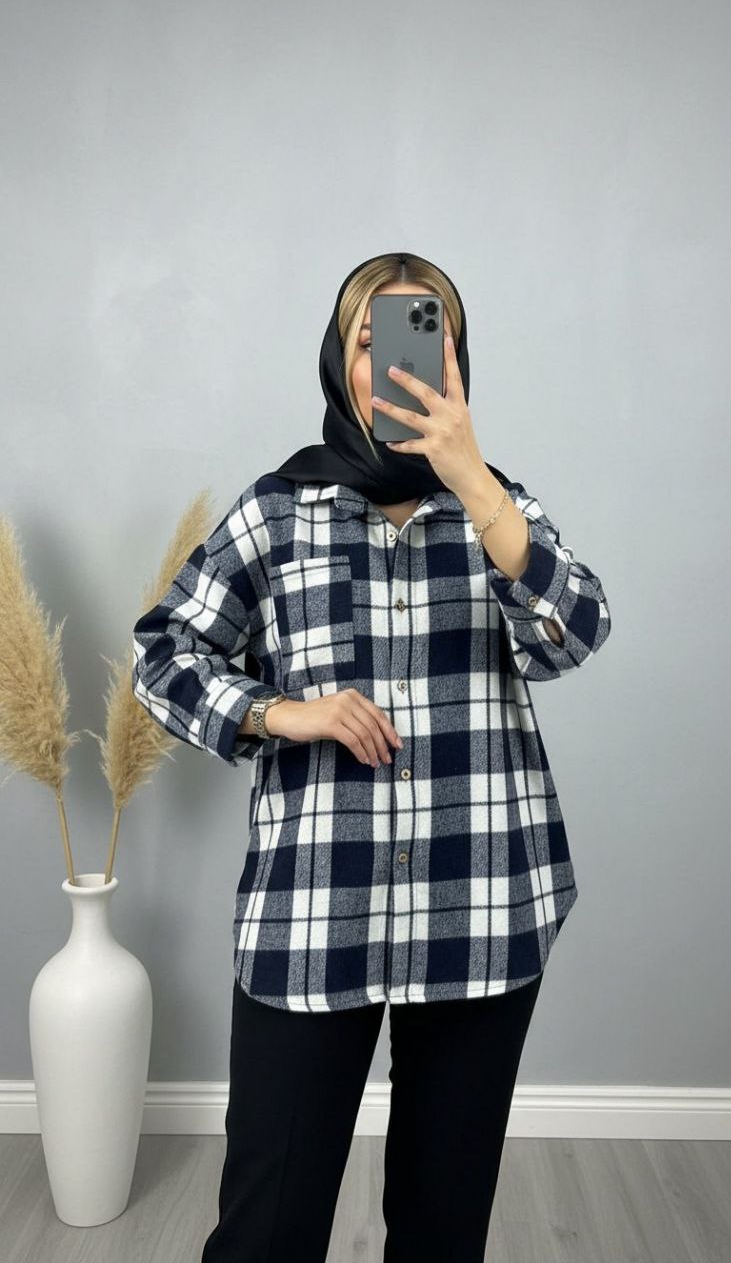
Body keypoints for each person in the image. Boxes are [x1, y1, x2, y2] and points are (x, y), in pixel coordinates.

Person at [132, 250, 611, 1262]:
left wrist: (473, 482)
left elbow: (573, 633)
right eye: (370, 338)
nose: (393, 363)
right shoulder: (274, 512)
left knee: (440, 1230)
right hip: (313, 907)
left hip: (481, 903)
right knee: (267, 1230)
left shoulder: (499, 510)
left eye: (425, 336)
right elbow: (162, 656)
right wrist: (276, 712)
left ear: (456, 360)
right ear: (337, 359)